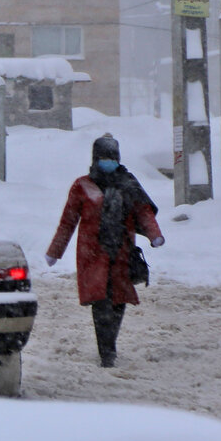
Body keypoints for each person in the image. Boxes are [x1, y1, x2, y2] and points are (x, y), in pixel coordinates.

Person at [46, 134, 165, 368]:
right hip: (93, 254)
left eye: (112, 158)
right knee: (101, 301)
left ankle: (110, 342)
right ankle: (107, 351)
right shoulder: (83, 186)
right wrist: (55, 251)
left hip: (122, 252)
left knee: (118, 301)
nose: (108, 162)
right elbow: (68, 221)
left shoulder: (128, 184)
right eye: (103, 158)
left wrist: (155, 235)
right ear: (95, 159)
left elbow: (143, 212)